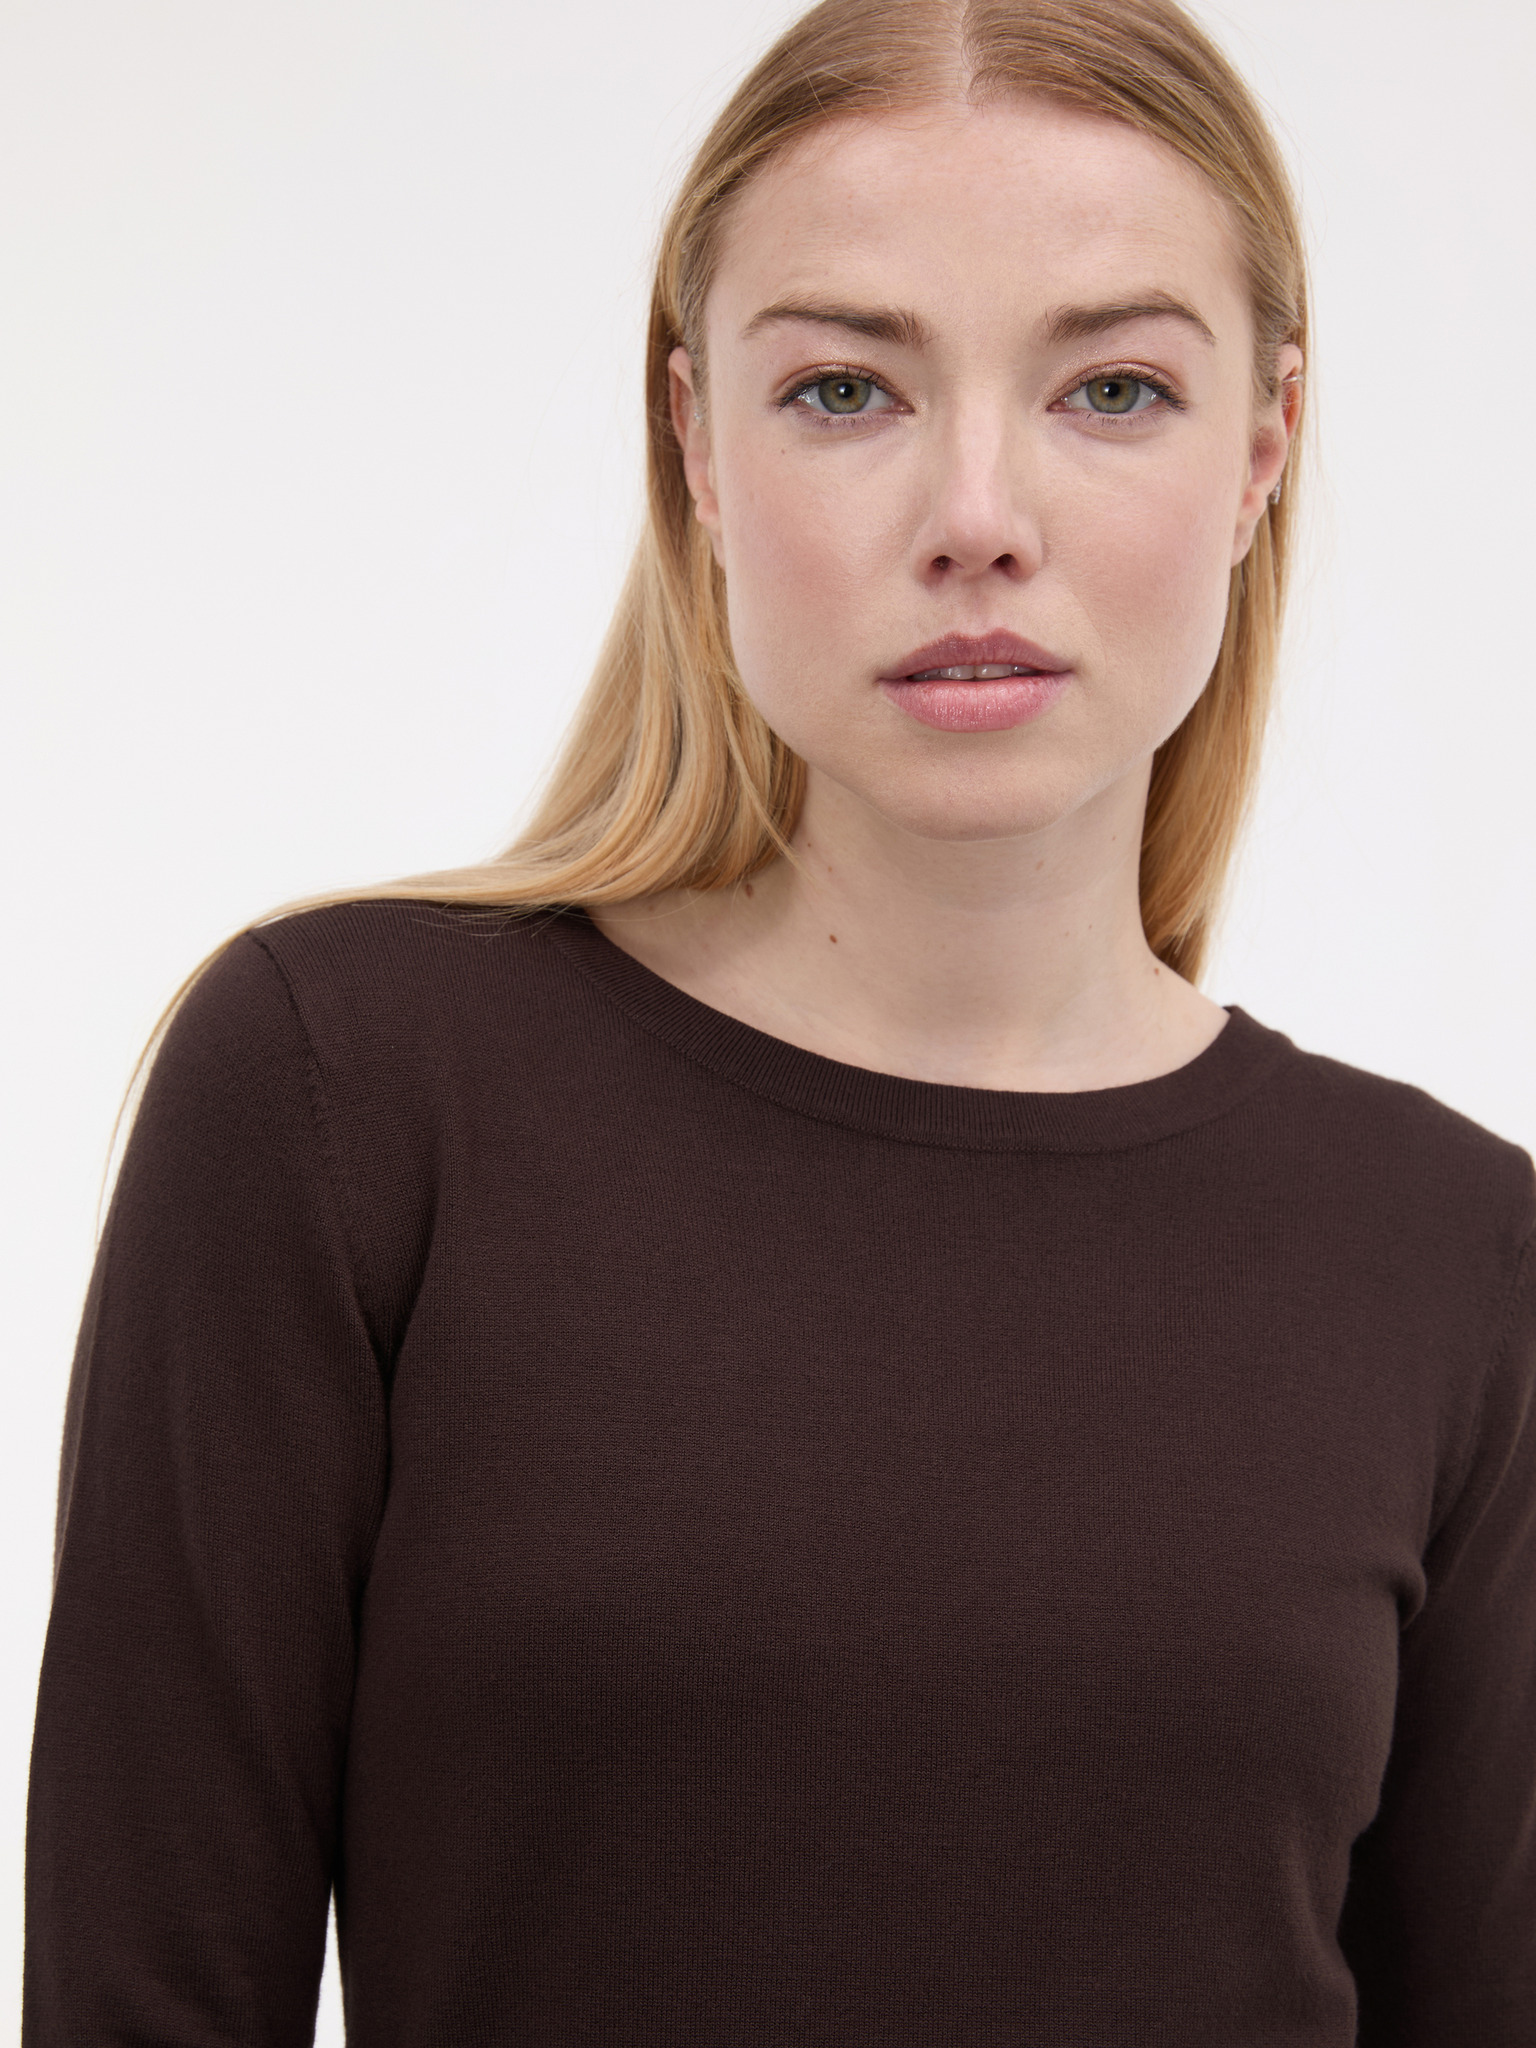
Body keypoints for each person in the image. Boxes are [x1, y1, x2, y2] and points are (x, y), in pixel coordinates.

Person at [23, 0, 1535, 2041]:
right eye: (844, 388)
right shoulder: (344, 1093)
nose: (978, 511)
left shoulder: (1455, 1254)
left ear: (1263, 447)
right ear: (698, 448)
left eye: (1112, 387)